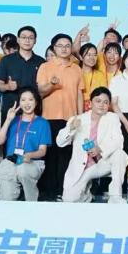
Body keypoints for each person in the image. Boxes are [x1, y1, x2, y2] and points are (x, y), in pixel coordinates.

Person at [56, 86, 128, 202]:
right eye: (98, 101)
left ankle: (115, 196)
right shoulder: (78, 119)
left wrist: (100, 149)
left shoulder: (113, 118)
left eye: (105, 102)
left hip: (103, 162)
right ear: (90, 103)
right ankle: (86, 195)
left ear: (109, 105)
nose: (102, 105)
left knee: (120, 154)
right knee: (69, 199)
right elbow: (60, 142)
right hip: (83, 167)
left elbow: (118, 141)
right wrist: (71, 128)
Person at [36, 33, 83, 200]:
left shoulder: (76, 68)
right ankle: (48, 193)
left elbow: (79, 94)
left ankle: (62, 192)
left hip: (70, 119)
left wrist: (80, 117)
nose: (64, 49)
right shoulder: (45, 67)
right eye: (60, 46)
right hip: (49, 117)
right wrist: (52, 84)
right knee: (50, 156)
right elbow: (40, 92)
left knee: (66, 156)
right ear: (53, 48)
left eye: (67, 46)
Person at [0, 87, 50, 201]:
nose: (27, 103)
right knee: (6, 198)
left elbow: (42, 151)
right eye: (23, 100)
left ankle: (31, 201)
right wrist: (8, 120)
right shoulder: (13, 120)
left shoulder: (42, 123)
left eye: (30, 99)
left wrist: (29, 155)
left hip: (32, 162)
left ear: (36, 102)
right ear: (19, 102)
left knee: (23, 170)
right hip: (11, 161)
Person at [0, 26, 44, 115]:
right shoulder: (6, 60)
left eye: (31, 38)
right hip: (11, 110)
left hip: (34, 111)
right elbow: (0, 85)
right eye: (23, 37)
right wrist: (8, 86)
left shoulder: (41, 62)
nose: (27, 40)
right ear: (18, 40)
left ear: (35, 41)